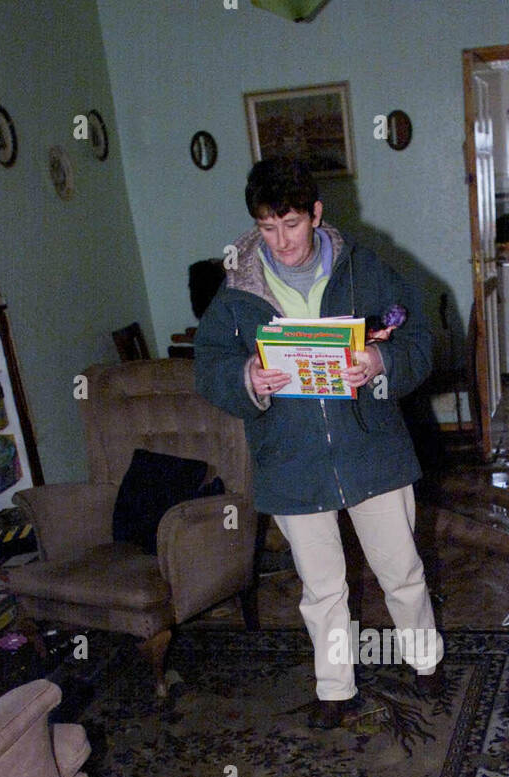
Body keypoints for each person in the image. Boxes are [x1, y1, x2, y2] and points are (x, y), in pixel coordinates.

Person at [194, 157, 443, 728]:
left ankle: (425, 661)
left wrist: (381, 359)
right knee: (321, 588)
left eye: (292, 225)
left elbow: (423, 340)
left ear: (316, 215)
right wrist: (245, 378)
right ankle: (336, 689)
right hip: (291, 463)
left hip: (372, 449)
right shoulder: (236, 289)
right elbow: (208, 365)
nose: (280, 242)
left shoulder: (367, 269)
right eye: (267, 228)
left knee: (401, 569)